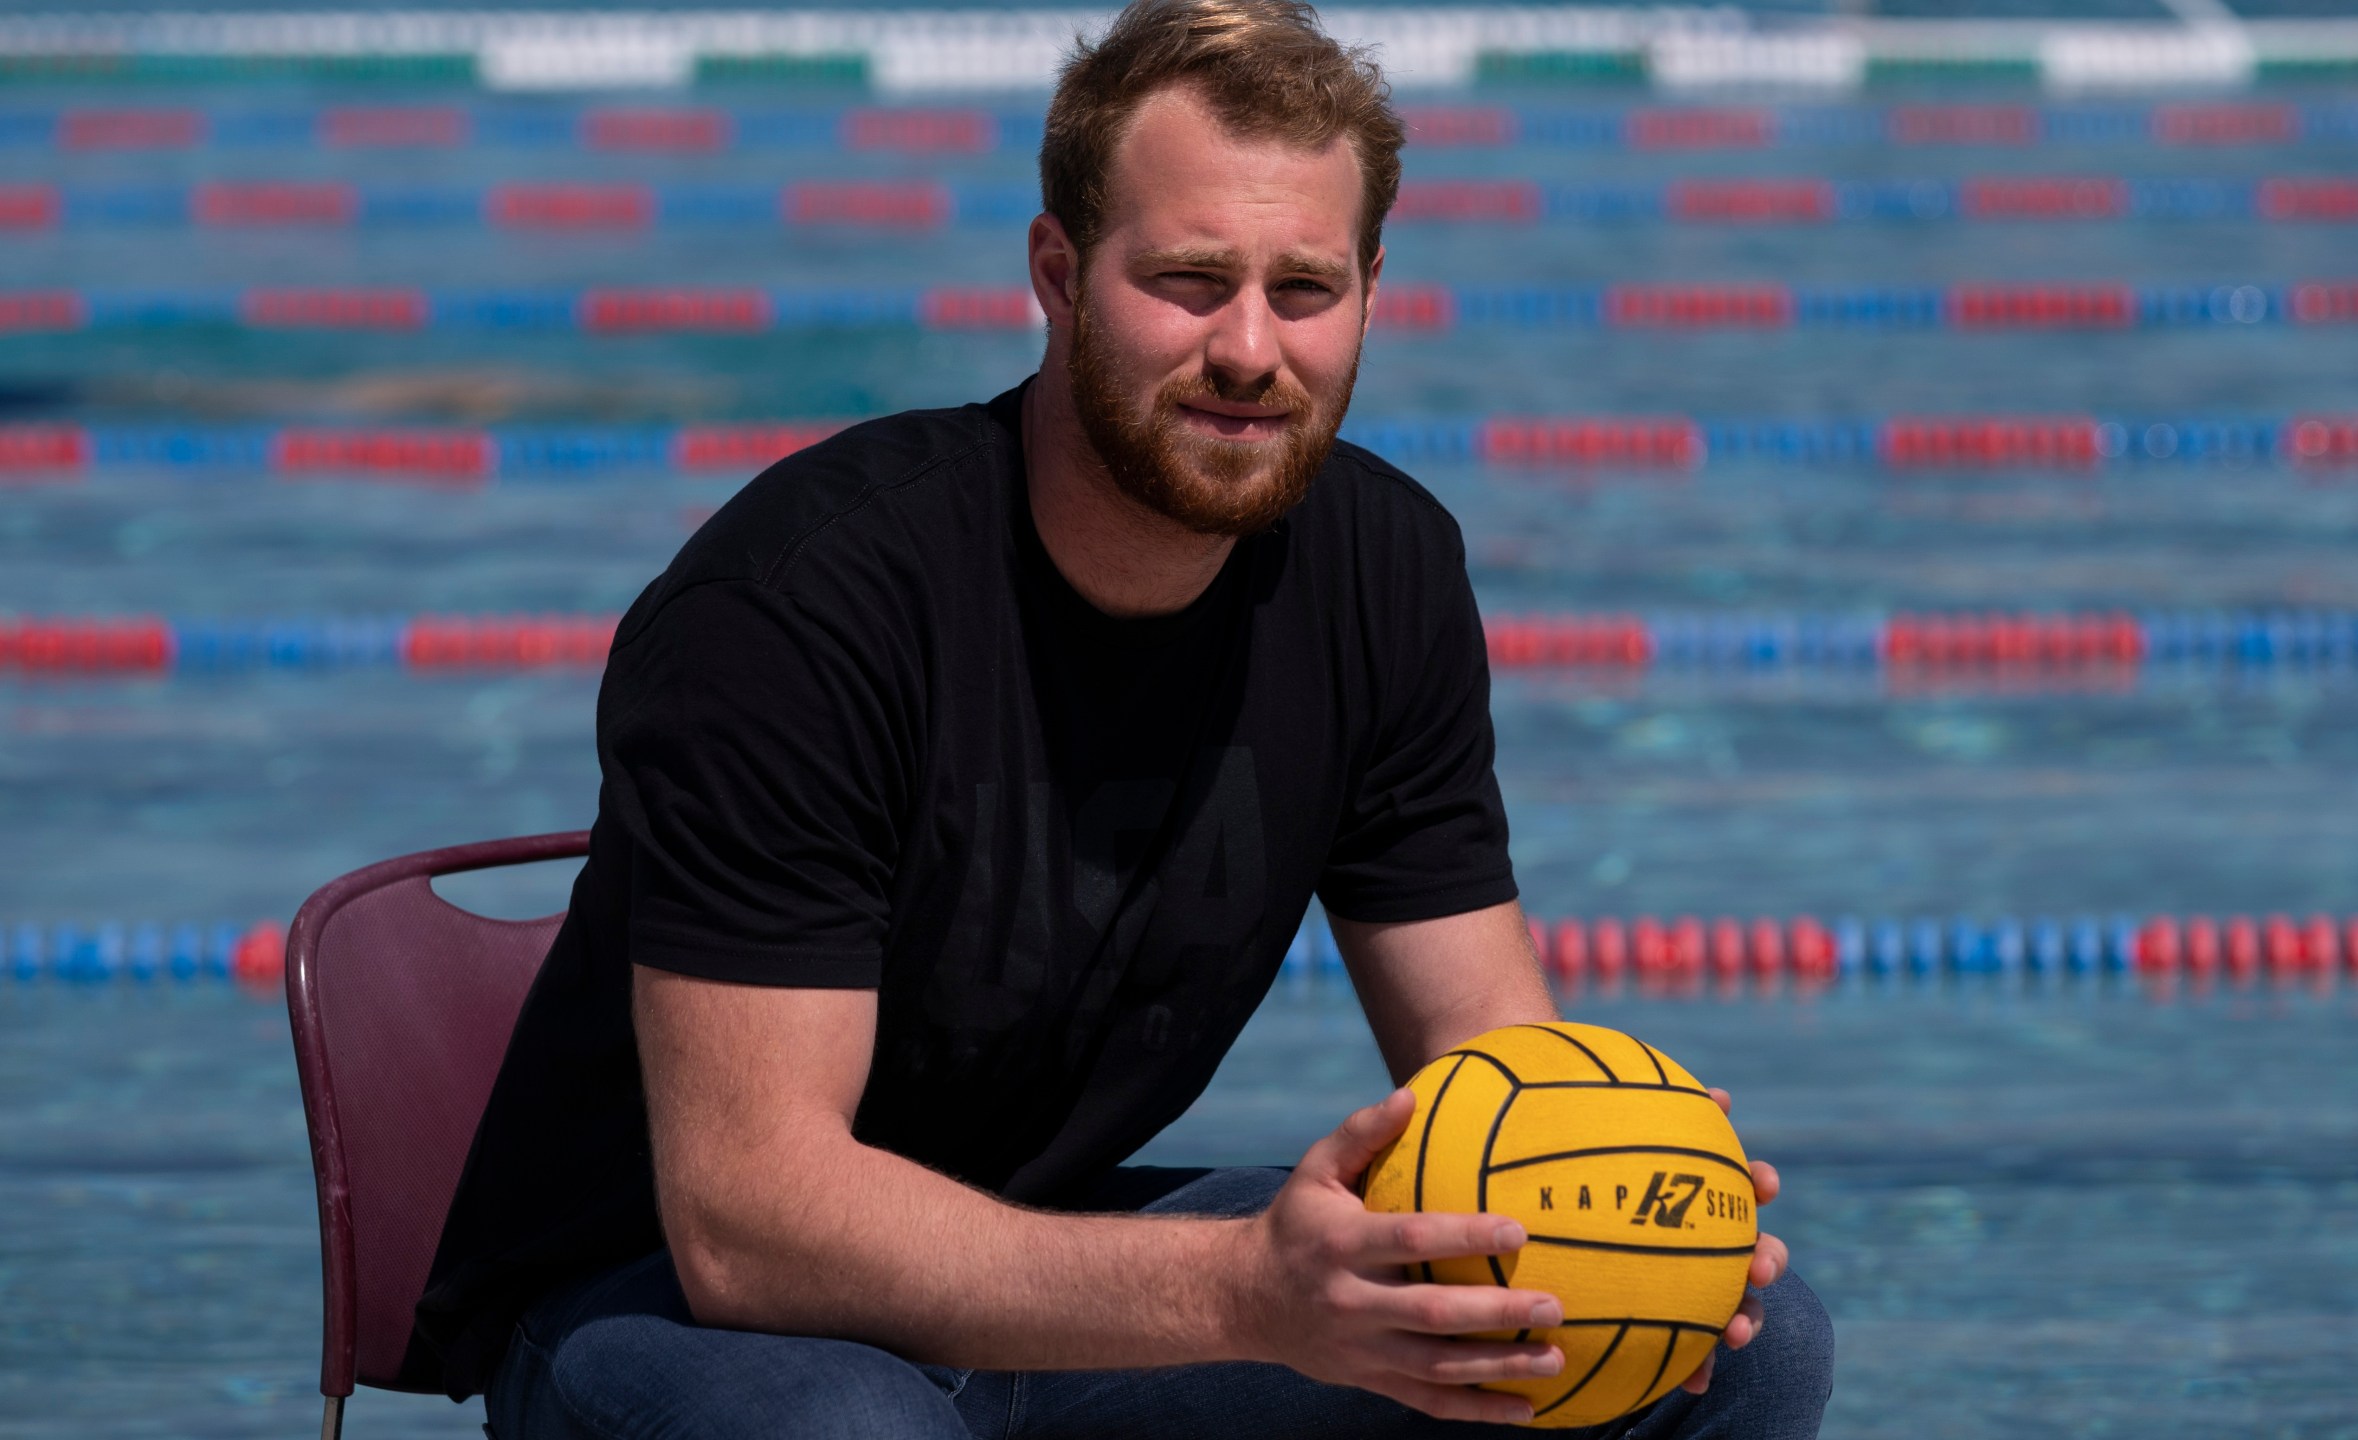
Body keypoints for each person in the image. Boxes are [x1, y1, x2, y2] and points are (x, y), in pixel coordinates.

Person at [418, 0, 1832, 1434]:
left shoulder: (1384, 572)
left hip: (1056, 1262)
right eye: (1190, 279)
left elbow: (1496, 1078)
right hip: (664, 1309)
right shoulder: (803, 606)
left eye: (1304, 289)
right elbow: (749, 1225)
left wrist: (1636, 1219)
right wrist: (1241, 1294)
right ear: (1058, 273)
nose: (1248, 349)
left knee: (1739, 1353)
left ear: (1374, 288)